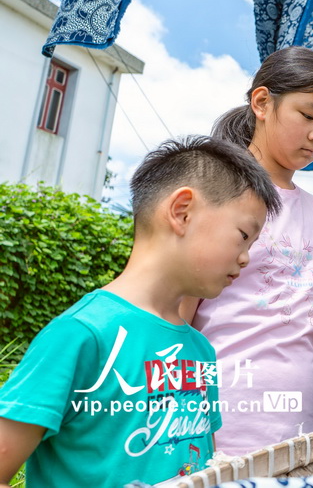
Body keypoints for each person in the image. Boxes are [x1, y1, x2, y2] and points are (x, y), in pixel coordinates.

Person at [0, 137, 279, 488]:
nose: (246, 258)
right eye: (242, 236)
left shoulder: (201, 350)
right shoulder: (82, 334)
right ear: (182, 212)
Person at [181, 46, 313, 455]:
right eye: (308, 116)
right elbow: (176, 318)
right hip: (222, 424)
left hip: (299, 428)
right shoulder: (217, 194)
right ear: (262, 102)